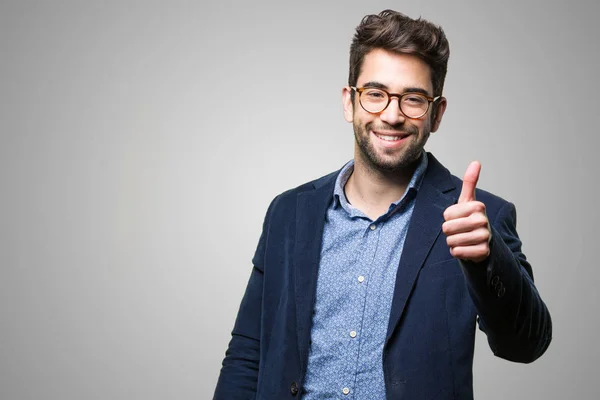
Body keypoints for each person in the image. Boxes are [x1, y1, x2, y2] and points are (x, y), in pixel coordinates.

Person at [213, 9, 552, 400]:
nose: (391, 115)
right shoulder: (288, 213)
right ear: (349, 102)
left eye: (413, 99)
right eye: (375, 94)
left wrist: (487, 258)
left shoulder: (477, 219)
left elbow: (527, 345)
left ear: (436, 114)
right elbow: (247, 353)